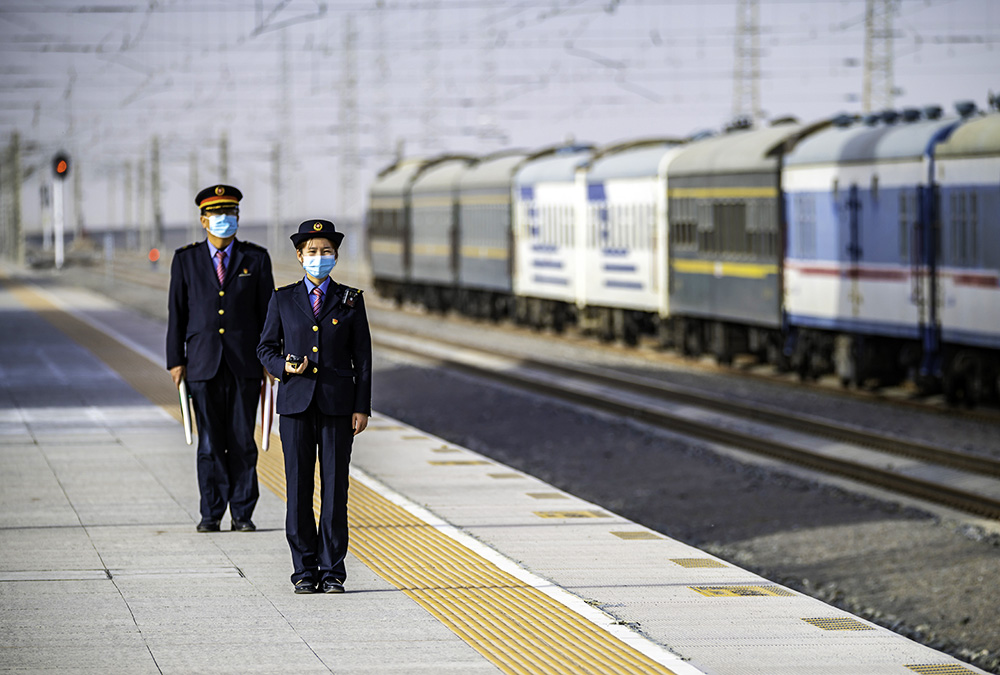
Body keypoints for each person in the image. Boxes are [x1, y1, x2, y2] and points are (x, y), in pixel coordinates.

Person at [257, 219, 372, 594]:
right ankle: (304, 570)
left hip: (339, 407)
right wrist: (283, 367)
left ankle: (333, 569)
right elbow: (265, 348)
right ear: (299, 256)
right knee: (299, 488)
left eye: (326, 252)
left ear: (335, 256)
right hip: (295, 405)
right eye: (312, 252)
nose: (318, 258)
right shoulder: (282, 298)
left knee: (336, 489)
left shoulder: (351, 300)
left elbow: (364, 359)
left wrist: (362, 407)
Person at [166, 184, 275, 533]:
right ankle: (210, 512)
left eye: (229, 214)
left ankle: (243, 512)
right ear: (203, 220)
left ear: (238, 218)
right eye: (215, 214)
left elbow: (268, 314)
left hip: (245, 364)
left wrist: (269, 359)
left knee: (243, 438)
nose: (223, 220)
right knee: (210, 441)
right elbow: (177, 313)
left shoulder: (256, 259)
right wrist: (175, 360)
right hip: (201, 363)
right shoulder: (185, 259)